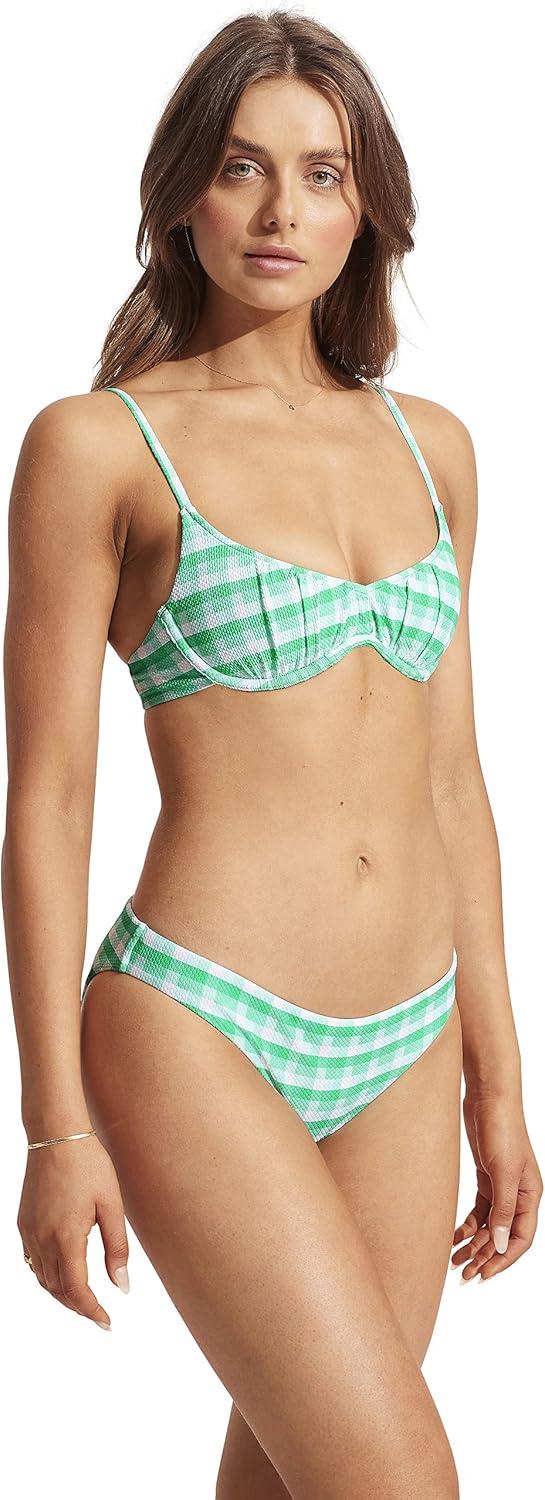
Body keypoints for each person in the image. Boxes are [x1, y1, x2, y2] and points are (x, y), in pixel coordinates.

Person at [3, 11, 541, 1499]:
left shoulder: (432, 447)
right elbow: (47, 802)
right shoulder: (97, 447)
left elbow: (454, 781)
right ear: (184, 191)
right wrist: (52, 1126)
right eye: (242, 168)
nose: (280, 211)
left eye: (322, 173)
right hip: (198, 1028)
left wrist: (498, 1073)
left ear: (368, 207)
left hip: (407, 1037)